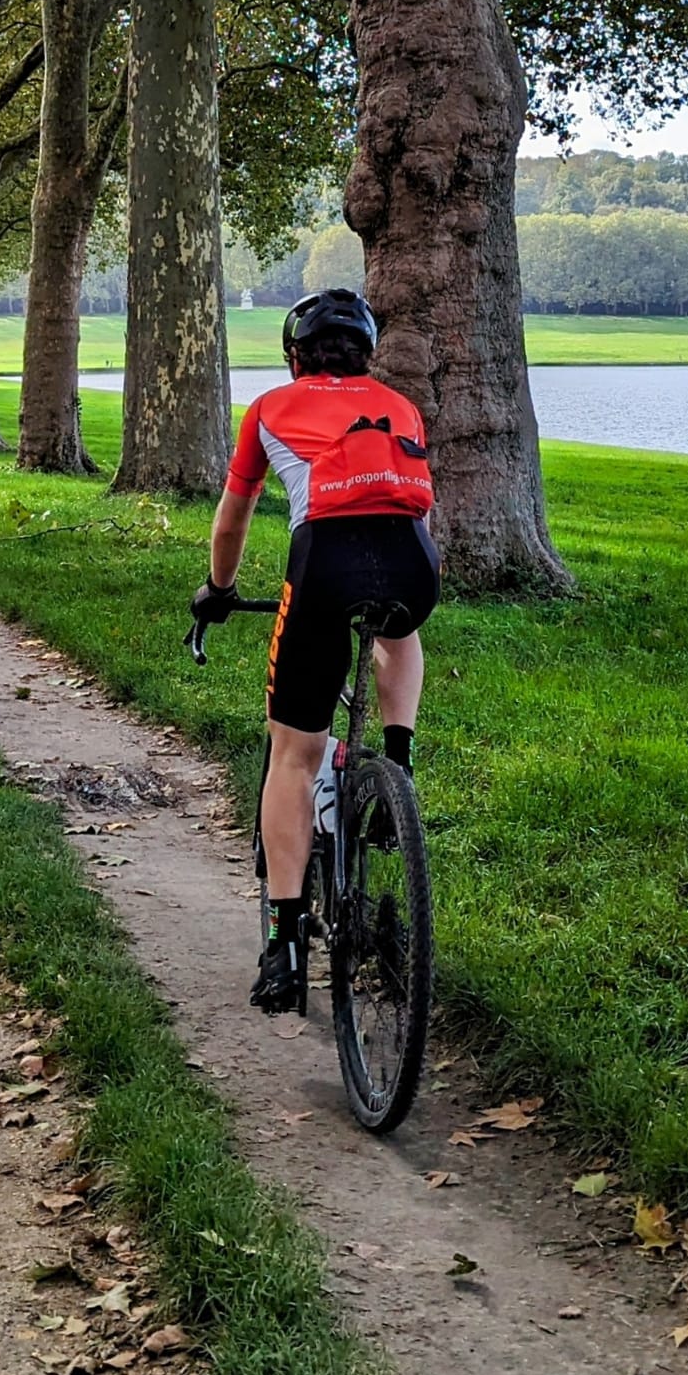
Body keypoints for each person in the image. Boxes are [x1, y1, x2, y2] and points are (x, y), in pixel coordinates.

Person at [191, 289, 439, 1015]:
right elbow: (416, 503)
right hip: (411, 565)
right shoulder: (402, 406)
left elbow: (232, 519)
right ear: (367, 353)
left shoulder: (271, 407)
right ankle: (398, 764)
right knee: (399, 631)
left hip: (325, 564)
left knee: (294, 755)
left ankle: (285, 945)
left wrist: (218, 590)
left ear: (295, 355)